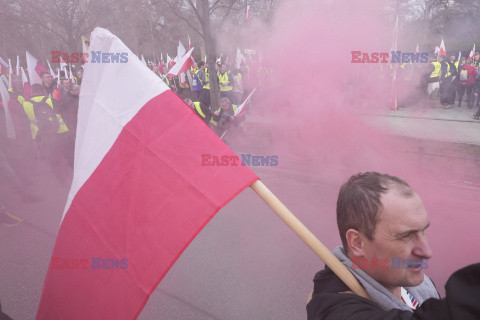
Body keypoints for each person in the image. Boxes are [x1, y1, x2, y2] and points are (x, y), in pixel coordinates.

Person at [307, 172, 480, 319]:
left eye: (423, 231)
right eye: (406, 236)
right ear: (357, 243)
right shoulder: (335, 309)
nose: (427, 252)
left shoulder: (418, 285)